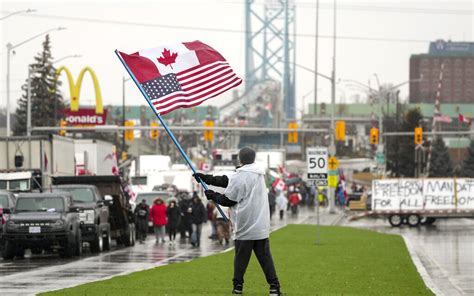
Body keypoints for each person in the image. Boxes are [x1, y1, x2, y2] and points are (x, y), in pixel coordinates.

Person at [194, 147, 282, 295]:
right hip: (261, 226)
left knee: (241, 260)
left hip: (245, 225)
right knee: (266, 259)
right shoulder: (258, 173)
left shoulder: (241, 177)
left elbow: (228, 200)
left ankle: (237, 287)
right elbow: (226, 180)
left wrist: (212, 195)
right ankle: (274, 287)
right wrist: (205, 178)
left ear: (240, 159)